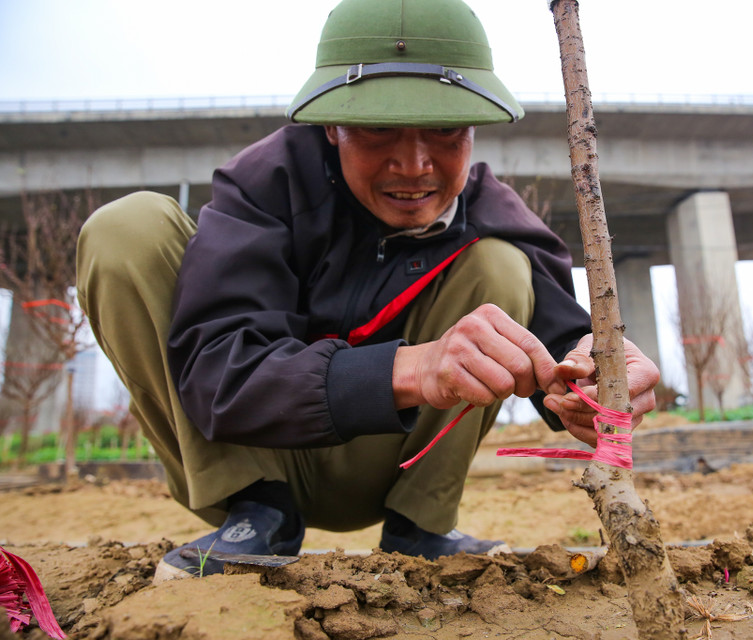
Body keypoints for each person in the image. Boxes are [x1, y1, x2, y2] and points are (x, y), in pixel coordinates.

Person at [76, 0, 659, 581]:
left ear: (473, 130)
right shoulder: (263, 187)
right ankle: (256, 513)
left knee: (502, 265)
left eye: (444, 130)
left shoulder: (494, 214)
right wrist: (412, 368)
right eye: (379, 128)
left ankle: (421, 525)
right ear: (331, 126)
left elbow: (562, 344)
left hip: (390, 459)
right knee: (127, 229)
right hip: (251, 447)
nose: (413, 164)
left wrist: (597, 379)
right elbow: (217, 375)